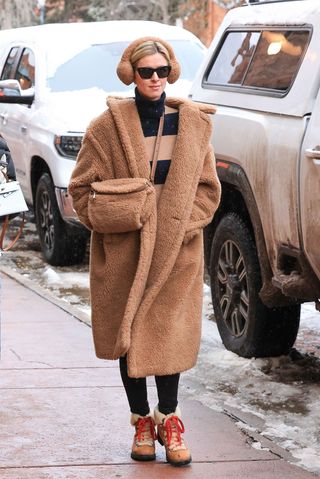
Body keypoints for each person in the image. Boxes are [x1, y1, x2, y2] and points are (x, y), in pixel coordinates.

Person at [68, 36, 221, 467]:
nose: (155, 79)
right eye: (145, 72)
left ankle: (169, 420)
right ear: (130, 74)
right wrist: (122, 213)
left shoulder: (192, 125)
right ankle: (140, 421)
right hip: (124, 249)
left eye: (162, 71)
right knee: (128, 337)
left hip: (178, 247)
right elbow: (80, 190)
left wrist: (183, 223)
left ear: (170, 72)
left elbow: (208, 189)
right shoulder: (106, 128)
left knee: (168, 334)